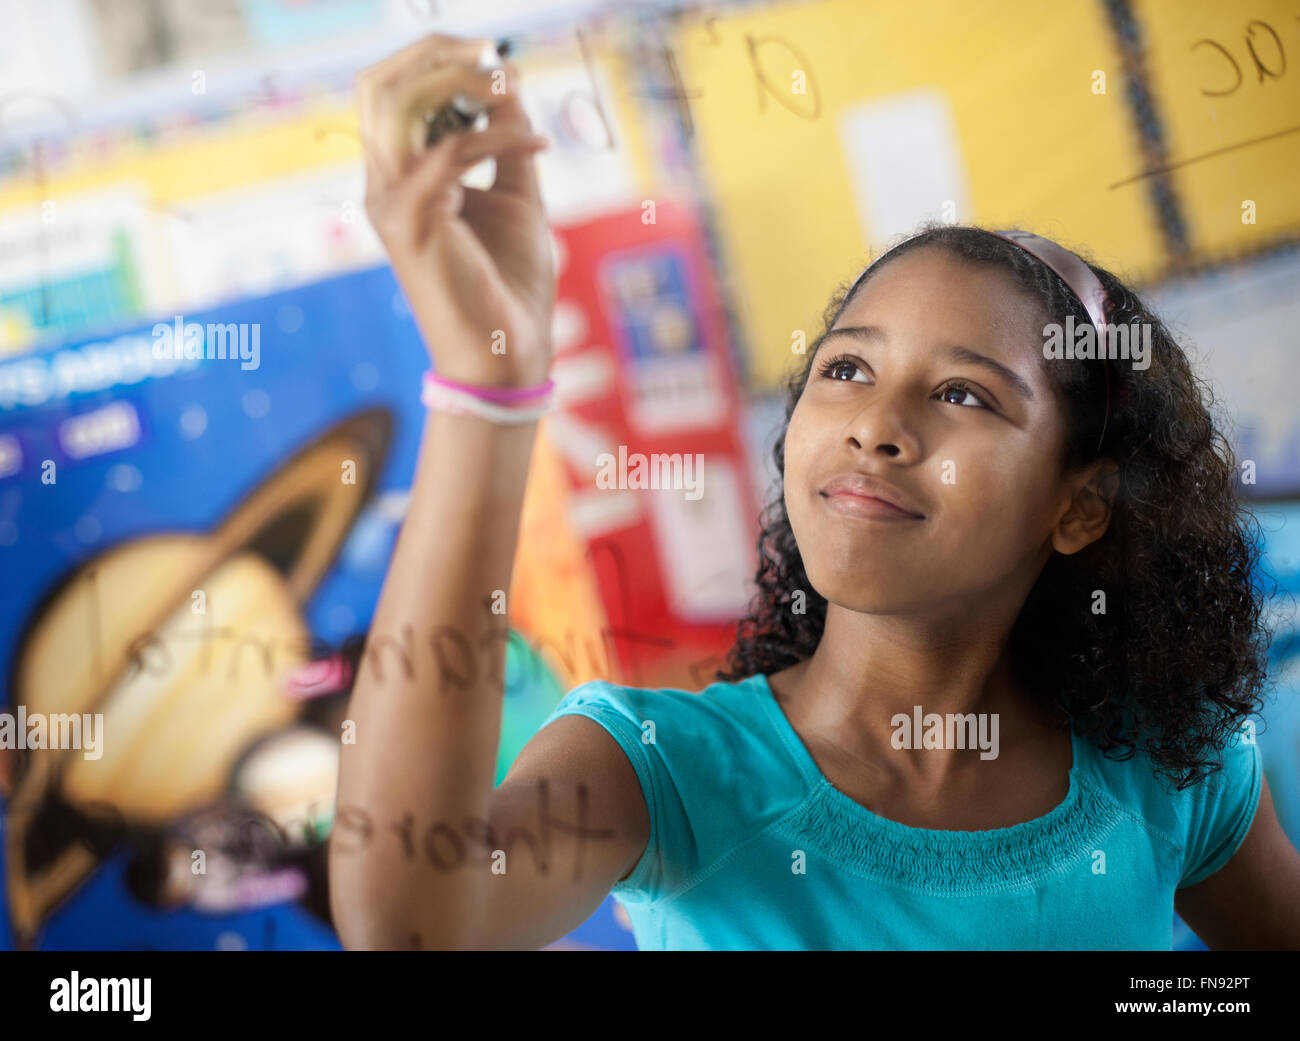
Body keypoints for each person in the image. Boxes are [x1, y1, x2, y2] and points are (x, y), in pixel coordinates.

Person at [329, 31, 1300, 951]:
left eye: (962, 393)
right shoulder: (659, 770)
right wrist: (490, 387)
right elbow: (410, 925)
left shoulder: (1173, 773)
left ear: (1078, 505)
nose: (873, 425)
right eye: (844, 370)